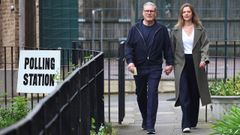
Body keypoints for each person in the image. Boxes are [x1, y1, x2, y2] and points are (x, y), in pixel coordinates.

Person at [125, 2, 174, 134]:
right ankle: (145, 119)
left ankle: (150, 125)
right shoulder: (135, 29)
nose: (149, 13)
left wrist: (169, 63)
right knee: (140, 94)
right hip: (138, 67)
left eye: (151, 11)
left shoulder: (162, 29)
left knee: (152, 94)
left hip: (155, 67)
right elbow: (128, 47)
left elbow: (167, 48)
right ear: (143, 13)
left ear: (155, 13)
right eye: (147, 11)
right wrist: (130, 62)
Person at [171, 3, 211, 133]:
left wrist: (204, 60)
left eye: (188, 11)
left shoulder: (199, 29)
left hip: (196, 63)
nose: (186, 14)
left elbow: (205, 45)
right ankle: (185, 123)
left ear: (192, 13)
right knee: (184, 93)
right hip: (181, 64)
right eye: (184, 12)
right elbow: (171, 48)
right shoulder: (176, 30)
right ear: (181, 14)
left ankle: (192, 120)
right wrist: (169, 64)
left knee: (194, 93)